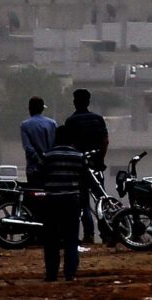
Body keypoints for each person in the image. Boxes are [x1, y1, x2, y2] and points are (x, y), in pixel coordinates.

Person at [31, 140, 94, 281]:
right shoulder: (79, 156)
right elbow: (86, 178)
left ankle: (51, 274)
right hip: (72, 202)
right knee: (71, 238)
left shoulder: (48, 155)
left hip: (52, 201)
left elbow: (37, 175)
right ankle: (69, 273)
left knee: (51, 239)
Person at [55, 89, 108, 246]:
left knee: (83, 203)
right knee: (102, 201)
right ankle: (106, 233)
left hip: (79, 169)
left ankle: (89, 235)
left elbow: (69, 145)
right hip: (96, 167)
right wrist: (100, 159)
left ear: (75, 102)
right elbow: (105, 141)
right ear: (88, 101)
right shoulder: (98, 119)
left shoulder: (71, 122)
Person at [20, 96, 57, 175]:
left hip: (33, 169)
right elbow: (56, 144)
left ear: (29, 109)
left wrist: (40, 160)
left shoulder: (25, 125)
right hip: (51, 167)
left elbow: (28, 147)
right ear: (42, 109)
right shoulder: (52, 123)